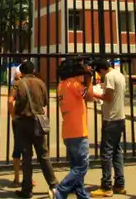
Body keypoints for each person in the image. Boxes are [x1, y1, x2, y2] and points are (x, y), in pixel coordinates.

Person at [9, 60, 57, 199]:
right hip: (38, 122)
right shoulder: (41, 83)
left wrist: (14, 116)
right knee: (43, 155)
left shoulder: (18, 83)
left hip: (23, 122)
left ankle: (27, 189)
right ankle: (54, 185)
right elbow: (45, 103)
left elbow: (10, 100)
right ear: (34, 70)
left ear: (22, 71)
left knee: (27, 157)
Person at [55, 58, 92, 199]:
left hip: (68, 132)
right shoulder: (74, 84)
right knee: (82, 167)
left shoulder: (61, 85)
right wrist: (89, 79)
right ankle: (60, 190)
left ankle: (82, 195)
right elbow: (88, 96)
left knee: (75, 167)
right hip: (78, 132)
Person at [90, 59, 127, 197]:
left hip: (111, 119)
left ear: (102, 70)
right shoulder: (120, 74)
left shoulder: (110, 77)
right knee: (117, 151)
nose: (100, 76)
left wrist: (93, 93)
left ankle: (106, 186)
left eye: (99, 73)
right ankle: (119, 184)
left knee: (106, 153)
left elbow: (109, 97)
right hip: (120, 117)